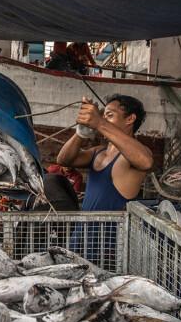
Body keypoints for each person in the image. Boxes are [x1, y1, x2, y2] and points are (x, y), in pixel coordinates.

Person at [57, 94, 153, 263]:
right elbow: (64, 160)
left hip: (107, 251)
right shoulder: (98, 152)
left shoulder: (134, 155)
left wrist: (100, 123)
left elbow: (145, 162)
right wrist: (82, 131)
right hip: (80, 240)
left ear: (130, 119)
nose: (104, 119)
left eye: (109, 115)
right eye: (103, 116)